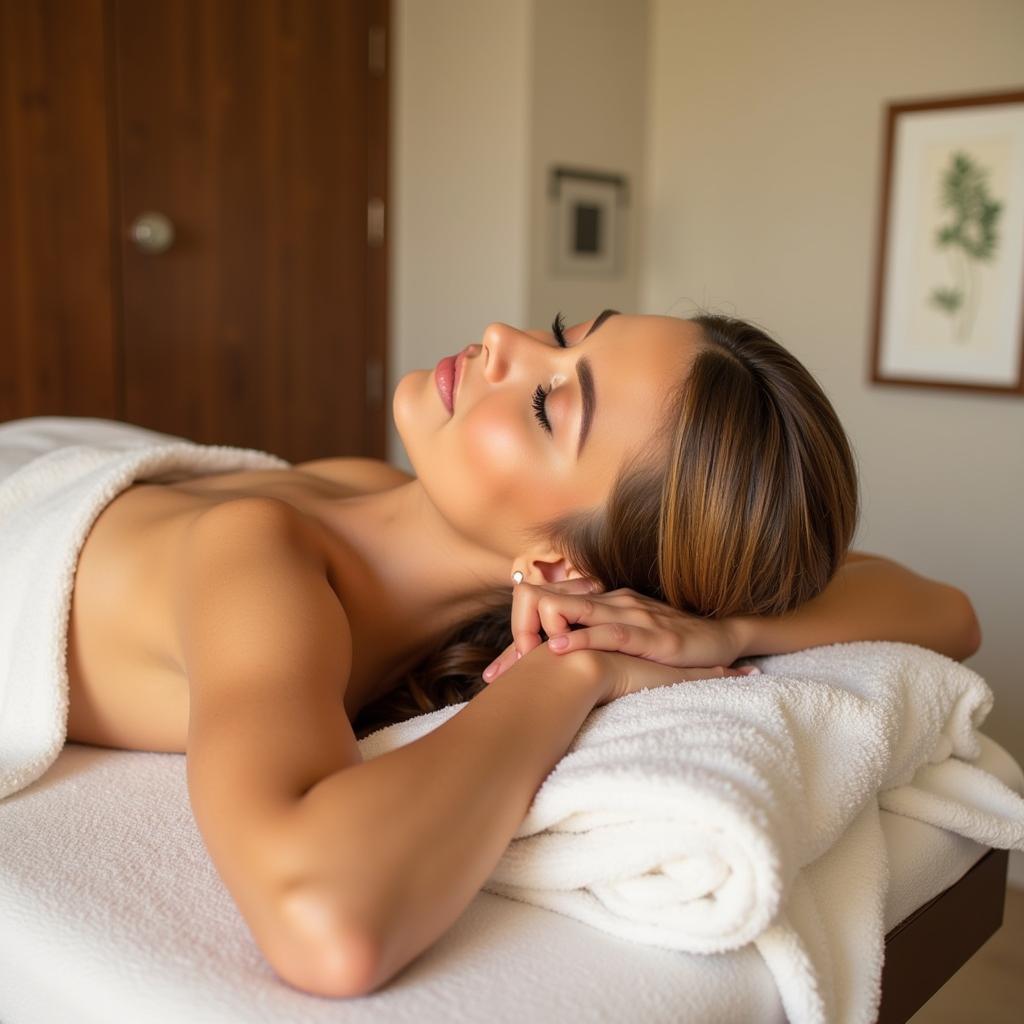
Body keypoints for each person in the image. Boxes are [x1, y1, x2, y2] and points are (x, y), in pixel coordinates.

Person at [56, 310, 979, 998]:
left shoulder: (301, 538)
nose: (502, 336)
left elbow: (944, 610)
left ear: (558, 564)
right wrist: (643, 651)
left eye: (547, 401)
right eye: (558, 333)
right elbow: (943, 605)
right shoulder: (311, 520)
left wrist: (644, 651)